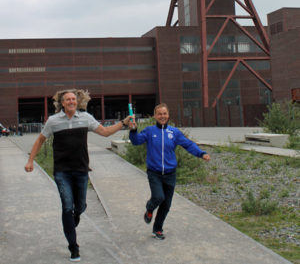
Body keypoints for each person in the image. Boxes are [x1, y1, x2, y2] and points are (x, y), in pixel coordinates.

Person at [25, 89, 131, 262]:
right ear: (62, 103)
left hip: (81, 169)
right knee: (67, 207)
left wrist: (123, 123)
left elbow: (104, 132)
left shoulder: (86, 118)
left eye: (74, 99)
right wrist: (30, 161)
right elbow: (39, 140)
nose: (71, 101)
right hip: (62, 171)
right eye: (68, 99)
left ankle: (76, 215)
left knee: (79, 207)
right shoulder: (53, 121)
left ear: (77, 101)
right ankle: (73, 247)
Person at [128, 103, 210, 240]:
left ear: (168, 115)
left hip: (170, 174)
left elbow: (188, 144)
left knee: (166, 205)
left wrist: (201, 153)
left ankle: (157, 229)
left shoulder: (174, 132)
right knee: (158, 197)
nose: (162, 116)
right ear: (155, 116)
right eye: (159, 114)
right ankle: (149, 208)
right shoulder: (149, 131)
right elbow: (135, 141)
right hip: (154, 173)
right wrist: (133, 130)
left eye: (164, 113)